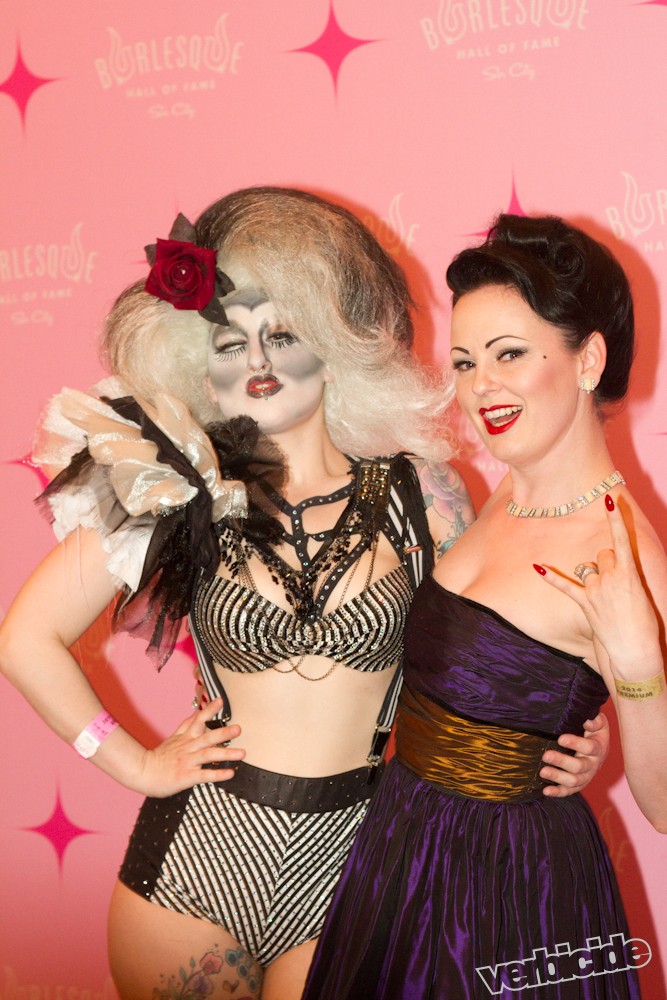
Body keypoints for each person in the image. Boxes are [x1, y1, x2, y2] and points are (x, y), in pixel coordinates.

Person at [0, 193, 608, 1000]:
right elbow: (25, 640)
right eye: (229, 340)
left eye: (281, 334)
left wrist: (572, 729)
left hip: (353, 863)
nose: (256, 358)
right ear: (200, 361)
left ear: (330, 342)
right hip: (193, 864)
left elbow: (488, 643)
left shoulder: (423, 493)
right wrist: (134, 763)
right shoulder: (170, 482)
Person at [303, 214, 667, 1000]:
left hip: (506, 891)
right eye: (465, 362)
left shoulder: (624, 557)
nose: (478, 388)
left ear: (587, 360)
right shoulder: (507, 490)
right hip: (402, 849)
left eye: (509, 355)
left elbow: (664, 806)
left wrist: (637, 668)